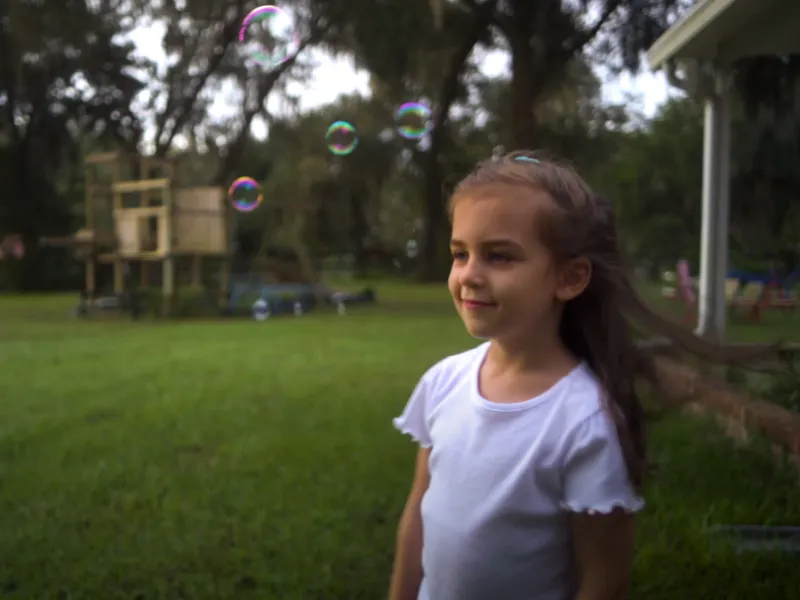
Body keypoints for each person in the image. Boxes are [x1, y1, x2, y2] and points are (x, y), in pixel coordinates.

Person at [387, 151, 765, 600]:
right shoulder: (442, 383)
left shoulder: (584, 421)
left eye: (499, 256)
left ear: (569, 278)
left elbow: (604, 579)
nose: (469, 275)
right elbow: (418, 513)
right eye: (460, 253)